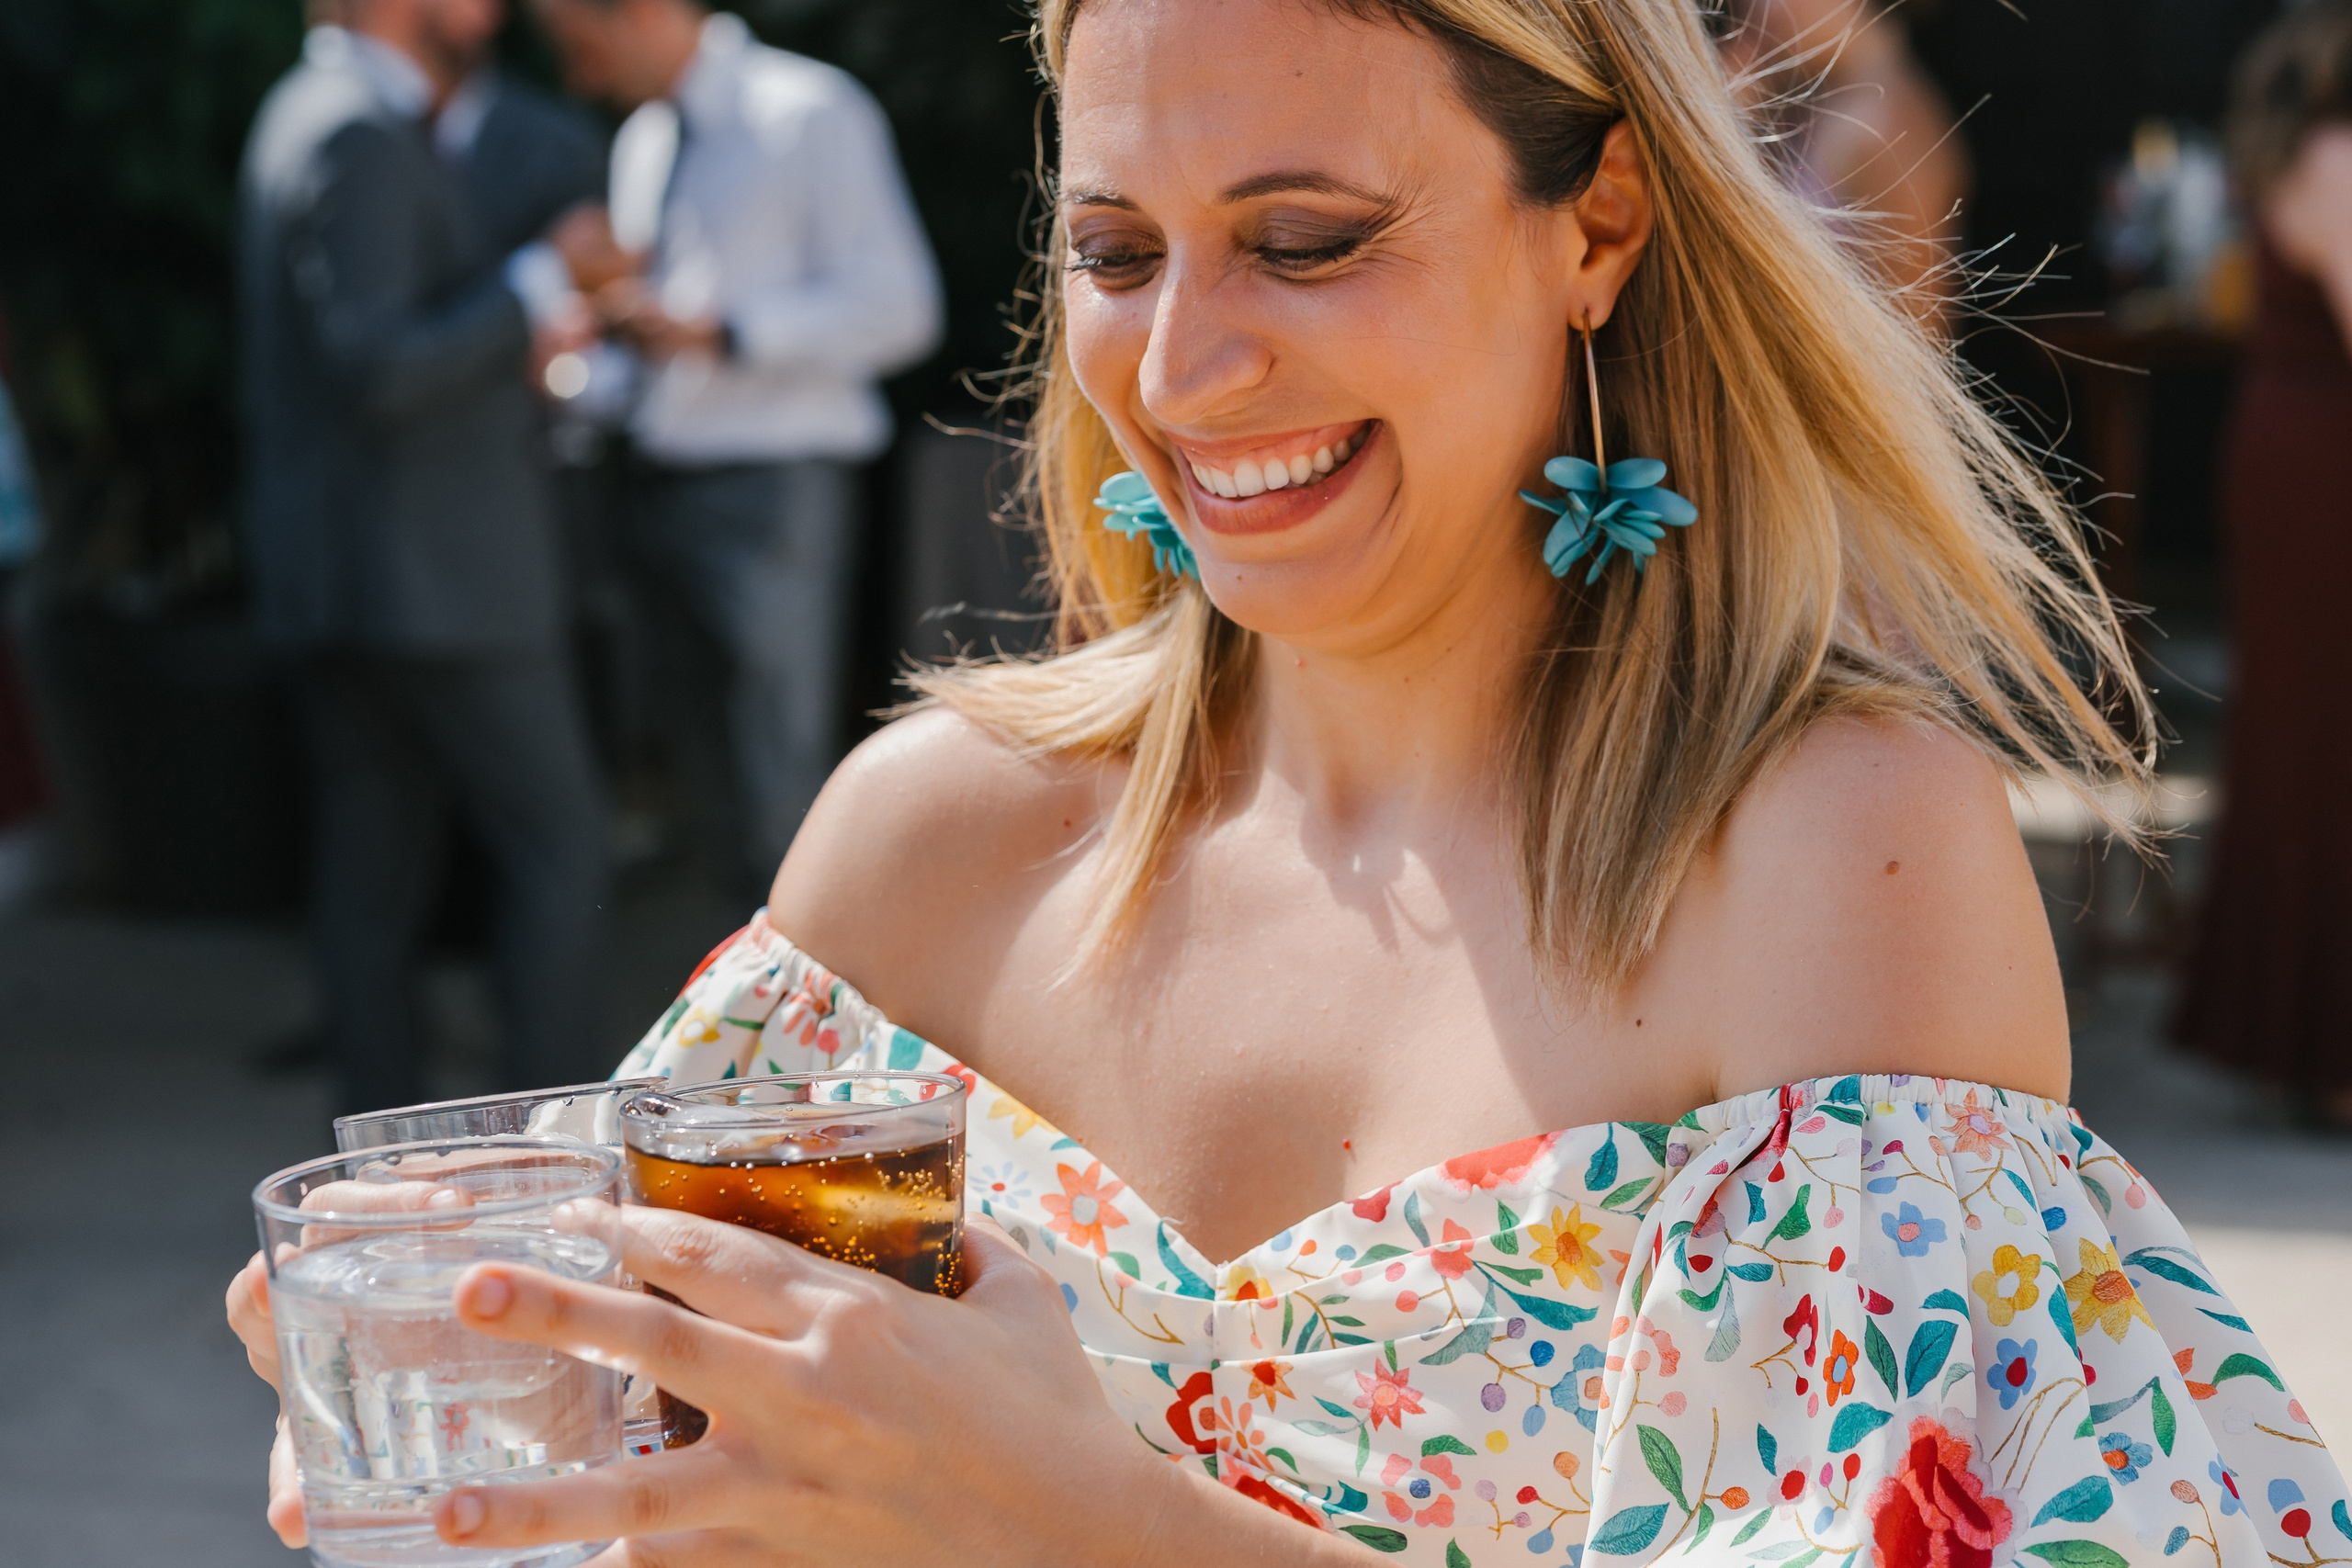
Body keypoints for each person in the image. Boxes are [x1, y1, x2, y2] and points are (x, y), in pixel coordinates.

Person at [232, 0, 2348, 1561]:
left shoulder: (1825, 846)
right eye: (1117, 251)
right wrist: (540, 1393)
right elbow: (695, 1464)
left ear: (1596, 222)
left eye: (1307, 236)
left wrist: (1092, 1521)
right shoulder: (926, 840)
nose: (1175, 371)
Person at [236, 0, 611, 1115]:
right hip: (441, 589)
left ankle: (388, 1160)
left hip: (357, 588)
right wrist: (536, 284)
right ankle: (552, 1157)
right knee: (564, 856)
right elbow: (378, 368)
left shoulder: (306, 113)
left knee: (371, 886)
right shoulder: (357, 129)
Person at [529, 0, 944, 896]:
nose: (576, 76)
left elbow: (901, 306)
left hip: (773, 490)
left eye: (582, 46)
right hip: (658, 481)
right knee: (705, 783)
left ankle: (813, 1016)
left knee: (779, 780)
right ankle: (746, 1010)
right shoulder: (645, 137)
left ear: (639, 14)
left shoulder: (807, 113)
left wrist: (730, 333)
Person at [2179, 0, 2352, 1132]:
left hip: (2291, 443)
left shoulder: (2298, 147)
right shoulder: (2340, 154)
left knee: (2303, 738)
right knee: (2322, 747)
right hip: (2327, 461)